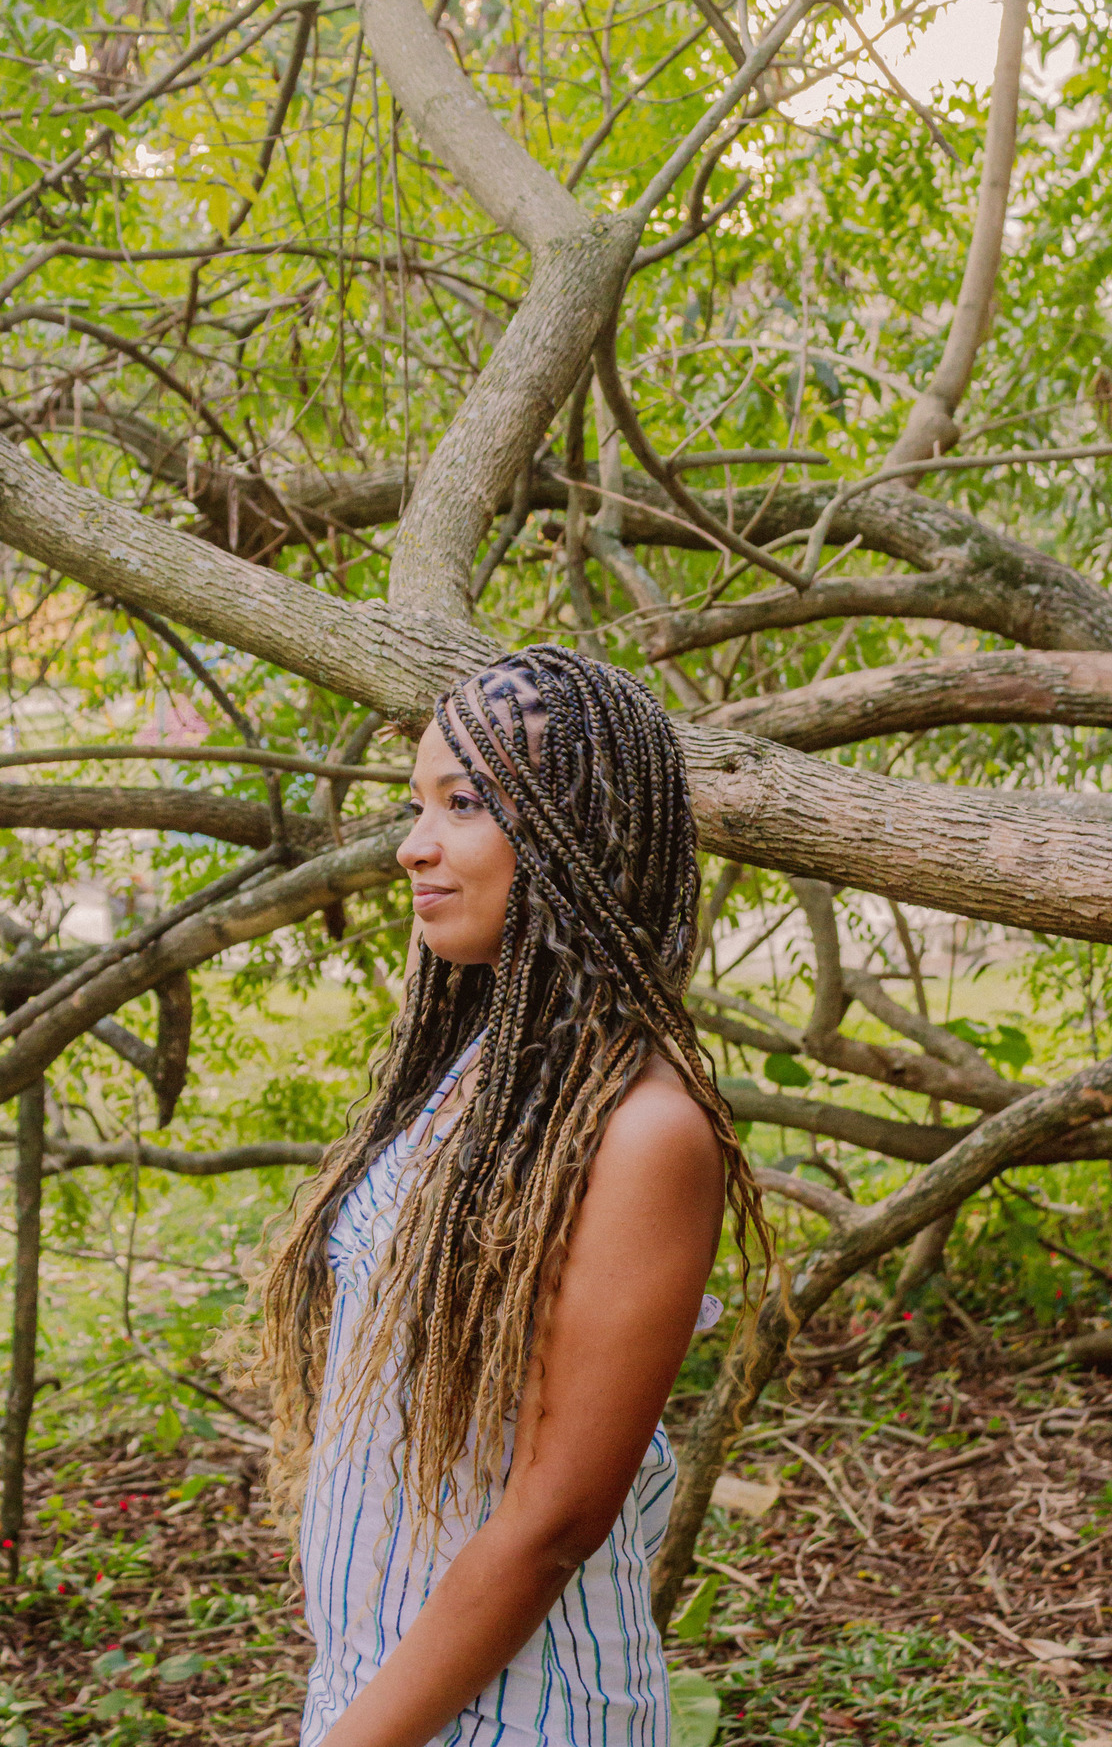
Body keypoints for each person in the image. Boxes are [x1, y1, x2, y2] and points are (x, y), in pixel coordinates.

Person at [255, 645, 770, 1747]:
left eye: (466, 801)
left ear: (574, 829)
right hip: (381, 1687)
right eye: (416, 803)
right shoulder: (477, 1067)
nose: (413, 844)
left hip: (523, 1716)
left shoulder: (643, 1129)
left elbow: (554, 1520)